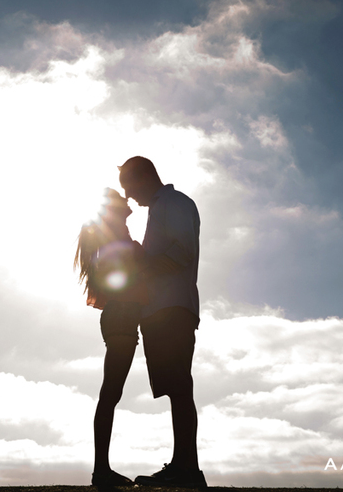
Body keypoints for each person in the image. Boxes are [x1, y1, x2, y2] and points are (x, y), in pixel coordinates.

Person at [118, 156, 206, 488]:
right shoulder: (162, 206)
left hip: (173, 308)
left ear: (143, 177)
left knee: (179, 386)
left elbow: (180, 252)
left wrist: (143, 264)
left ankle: (187, 469)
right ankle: (184, 466)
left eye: (128, 186)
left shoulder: (174, 202)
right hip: (161, 309)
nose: (127, 196)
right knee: (175, 387)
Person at [75, 188, 147, 487]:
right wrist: (142, 255)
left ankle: (101, 469)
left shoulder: (115, 234)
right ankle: (100, 471)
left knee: (111, 393)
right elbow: (124, 273)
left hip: (120, 317)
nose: (129, 201)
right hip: (121, 317)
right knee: (110, 393)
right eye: (123, 200)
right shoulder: (115, 236)